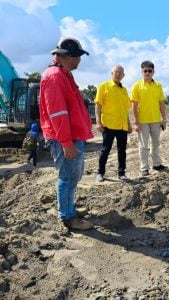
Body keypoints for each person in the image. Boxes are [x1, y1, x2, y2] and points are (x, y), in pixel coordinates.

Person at [39, 37, 93, 230]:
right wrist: (66, 142)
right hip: (64, 138)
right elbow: (57, 113)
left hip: (72, 135)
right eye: (77, 57)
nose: (79, 61)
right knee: (68, 177)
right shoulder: (54, 76)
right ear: (68, 56)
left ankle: (68, 208)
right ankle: (68, 217)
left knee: (73, 176)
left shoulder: (63, 74)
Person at [95, 65, 132, 182]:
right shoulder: (104, 86)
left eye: (120, 72)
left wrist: (129, 124)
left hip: (122, 126)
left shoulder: (124, 90)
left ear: (123, 75)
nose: (118, 74)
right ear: (112, 73)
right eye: (116, 72)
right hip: (108, 125)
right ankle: (100, 173)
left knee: (122, 151)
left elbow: (125, 109)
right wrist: (98, 122)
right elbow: (98, 104)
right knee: (105, 149)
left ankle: (122, 173)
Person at [130, 61, 167, 176]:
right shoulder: (137, 86)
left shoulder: (158, 86)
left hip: (156, 120)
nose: (147, 73)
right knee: (143, 145)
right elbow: (134, 106)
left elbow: (161, 104)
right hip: (142, 121)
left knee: (155, 144)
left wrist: (164, 119)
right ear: (141, 72)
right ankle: (144, 168)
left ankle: (156, 164)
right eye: (145, 71)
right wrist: (136, 122)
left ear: (153, 72)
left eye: (149, 71)